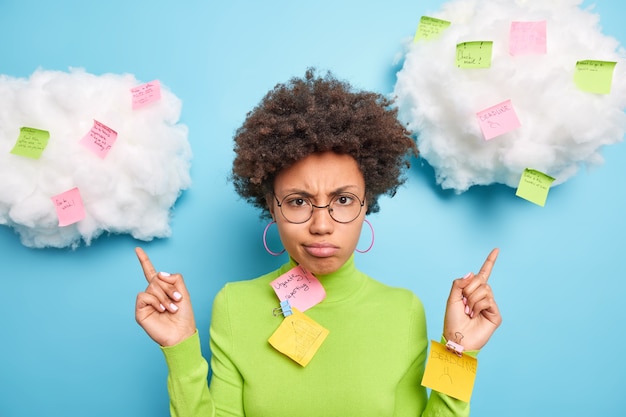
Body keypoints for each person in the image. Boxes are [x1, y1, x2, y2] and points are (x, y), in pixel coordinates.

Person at [135, 69, 502, 417]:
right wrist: (179, 347)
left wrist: (460, 350)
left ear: (366, 204)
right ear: (271, 206)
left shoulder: (404, 311)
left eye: (343, 200)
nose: (321, 225)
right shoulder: (234, 304)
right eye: (298, 201)